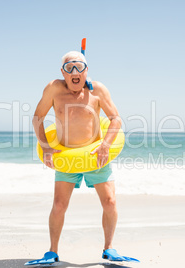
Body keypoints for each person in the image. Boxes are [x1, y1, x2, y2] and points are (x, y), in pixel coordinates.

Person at [31, 51, 135, 264]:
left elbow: (115, 119)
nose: (75, 72)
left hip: (96, 156)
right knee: (59, 205)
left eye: (80, 68)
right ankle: (52, 251)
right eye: (69, 69)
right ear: (63, 72)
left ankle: (109, 248)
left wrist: (105, 144)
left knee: (110, 202)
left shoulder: (98, 90)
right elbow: (37, 118)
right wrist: (46, 146)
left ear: (87, 70)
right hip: (66, 158)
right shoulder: (54, 89)